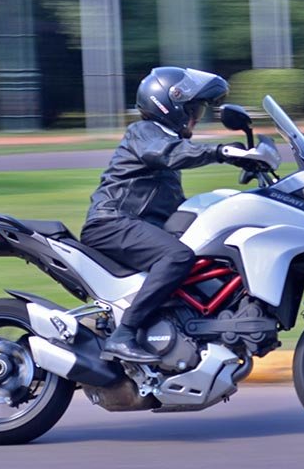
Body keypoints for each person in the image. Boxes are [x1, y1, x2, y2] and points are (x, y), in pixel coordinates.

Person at [83, 67, 253, 363]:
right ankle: (123, 335)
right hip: (111, 222)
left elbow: (176, 204)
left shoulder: (165, 143)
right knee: (177, 257)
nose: (197, 116)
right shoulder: (146, 134)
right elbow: (167, 153)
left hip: (134, 225)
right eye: (193, 108)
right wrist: (220, 152)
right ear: (169, 104)